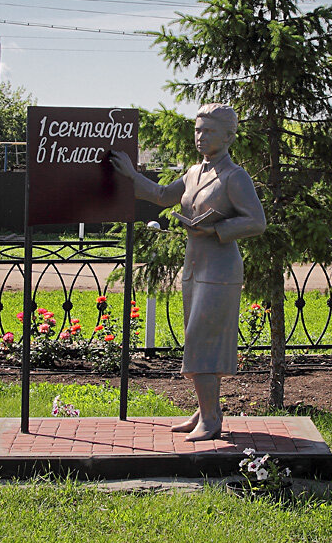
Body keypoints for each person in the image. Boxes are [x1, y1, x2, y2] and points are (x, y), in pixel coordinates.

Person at [110, 103, 265, 441]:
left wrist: (216, 229)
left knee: (201, 341)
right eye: (197, 129)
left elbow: (257, 221)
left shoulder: (234, 176)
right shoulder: (195, 172)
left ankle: (210, 419)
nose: (200, 136)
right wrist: (130, 175)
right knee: (200, 339)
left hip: (221, 270)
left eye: (208, 130)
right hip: (195, 267)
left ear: (228, 135)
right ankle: (205, 409)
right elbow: (163, 195)